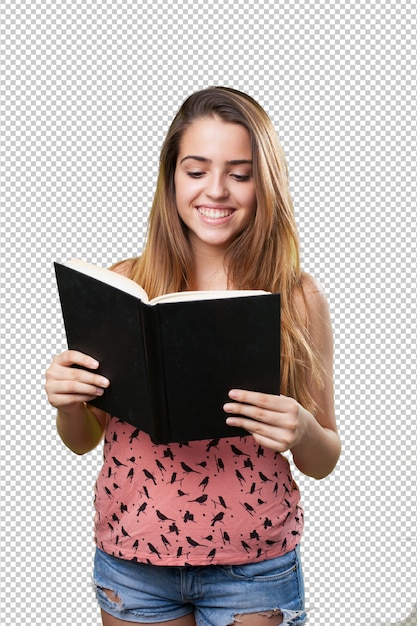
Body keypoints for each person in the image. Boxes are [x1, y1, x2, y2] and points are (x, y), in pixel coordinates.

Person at [45, 87, 341, 626]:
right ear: (172, 178)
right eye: (197, 170)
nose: (217, 191)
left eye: (240, 173)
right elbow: (84, 439)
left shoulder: (296, 297)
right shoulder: (126, 283)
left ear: (264, 183)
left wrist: (301, 430)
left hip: (252, 566)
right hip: (132, 561)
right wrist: (67, 403)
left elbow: (324, 458)